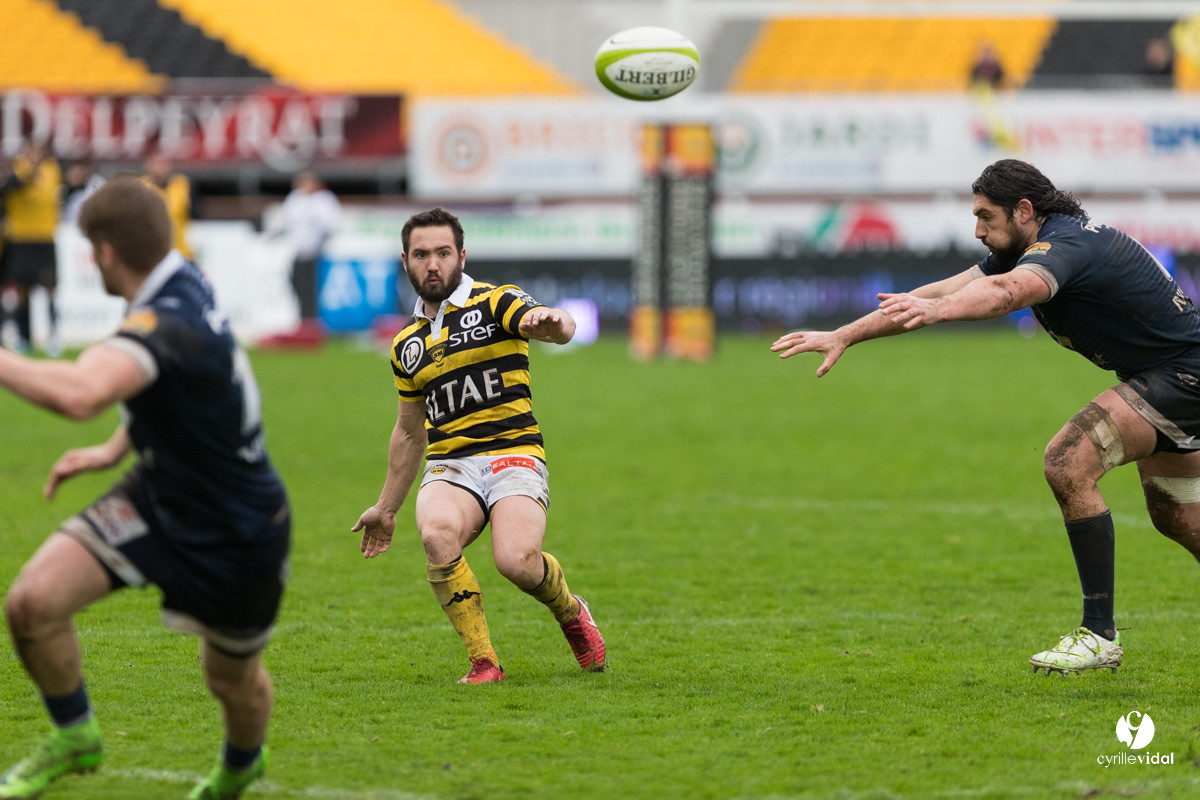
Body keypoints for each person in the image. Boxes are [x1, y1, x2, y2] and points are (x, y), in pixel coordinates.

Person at [772, 158, 1200, 677]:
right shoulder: (1026, 246)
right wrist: (845, 334)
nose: (977, 230)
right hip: (1168, 373)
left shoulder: (1062, 248)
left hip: (1182, 375)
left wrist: (940, 313)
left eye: (985, 216)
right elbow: (930, 296)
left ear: (1024, 210)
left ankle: (1098, 635)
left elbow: (1007, 295)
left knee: (1068, 461)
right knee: (1178, 519)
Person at [0, 177, 290, 799]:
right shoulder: (178, 278)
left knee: (230, 679)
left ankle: (241, 766)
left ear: (104, 253)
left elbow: (82, 392)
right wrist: (113, 447)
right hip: (159, 496)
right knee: (31, 603)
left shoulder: (170, 317)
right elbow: (179, 387)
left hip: (237, 527)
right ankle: (75, 737)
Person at [352, 206, 606, 684]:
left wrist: (555, 324)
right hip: (450, 464)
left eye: (443, 253)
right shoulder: (406, 343)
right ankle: (484, 662)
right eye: (421, 254)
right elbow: (410, 430)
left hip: (513, 453)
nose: (433, 264)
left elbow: (554, 323)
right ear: (404, 261)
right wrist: (386, 508)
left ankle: (571, 612)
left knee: (516, 561)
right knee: (436, 534)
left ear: (462, 256)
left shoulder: (497, 302)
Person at [1, 142, 62, 355]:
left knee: (51, 288)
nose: (36, 155)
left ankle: (54, 336)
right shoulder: (17, 168)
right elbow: (10, 187)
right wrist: (29, 171)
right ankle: (24, 337)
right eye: (32, 151)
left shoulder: (52, 169)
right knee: (21, 291)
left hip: (45, 236)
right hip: (21, 237)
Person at [279, 171, 340, 332]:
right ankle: (303, 320)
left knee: (312, 290)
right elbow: (288, 222)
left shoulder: (323, 200)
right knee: (296, 285)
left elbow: (330, 224)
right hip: (298, 253)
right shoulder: (294, 200)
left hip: (317, 254)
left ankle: (312, 323)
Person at [143, 149, 197, 262]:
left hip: (181, 254)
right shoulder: (141, 188)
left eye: (163, 163)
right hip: (152, 256)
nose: (160, 167)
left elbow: (197, 212)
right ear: (148, 165)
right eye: (156, 163)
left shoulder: (182, 185)